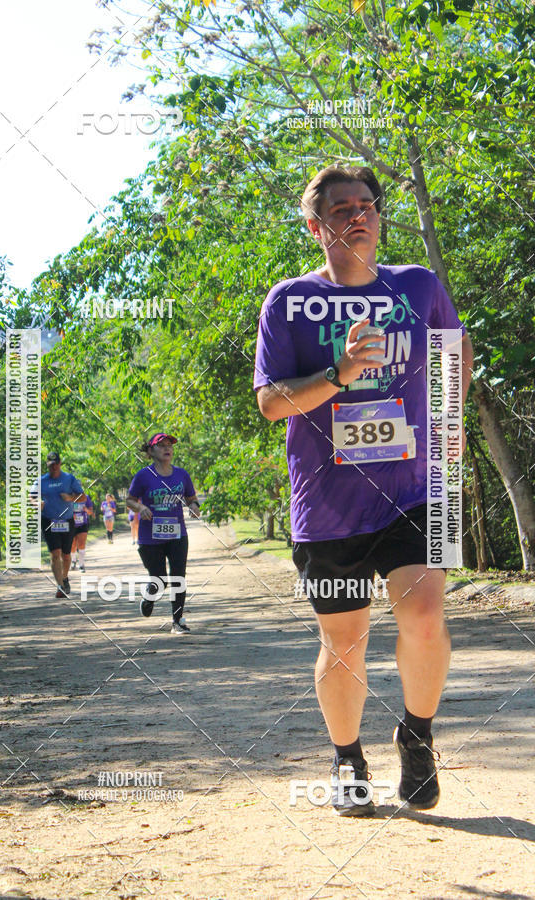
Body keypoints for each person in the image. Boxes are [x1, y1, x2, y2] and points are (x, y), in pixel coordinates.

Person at [254, 165, 473, 816]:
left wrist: (449, 419)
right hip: (327, 506)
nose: (359, 215)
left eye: (367, 205)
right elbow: (270, 403)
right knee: (344, 643)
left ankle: (417, 732)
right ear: (315, 225)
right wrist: (341, 373)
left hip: (416, 487)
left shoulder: (419, 286)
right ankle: (348, 758)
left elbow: (453, 353)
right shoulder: (289, 302)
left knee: (426, 615)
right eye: (342, 207)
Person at [126, 433, 200, 635]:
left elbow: (191, 497)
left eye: (170, 445)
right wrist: (140, 508)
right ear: (151, 451)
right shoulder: (143, 475)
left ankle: (177, 621)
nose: (167, 449)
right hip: (150, 537)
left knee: (178, 577)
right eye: (161, 446)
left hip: (177, 534)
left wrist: (194, 506)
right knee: (159, 580)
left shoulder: (181, 475)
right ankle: (150, 596)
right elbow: (130, 500)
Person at [37, 451, 85, 598]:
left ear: (60, 463)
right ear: (47, 465)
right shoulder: (41, 481)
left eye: (56, 464)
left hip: (67, 520)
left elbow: (82, 497)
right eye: (51, 465)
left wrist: (70, 497)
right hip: (49, 520)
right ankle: (60, 586)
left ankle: (64, 577)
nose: (54, 467)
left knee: (66, 554)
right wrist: (37, 503)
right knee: (55, 554)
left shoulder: (69, 479)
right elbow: (32, 497)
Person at [71, 494, 94, 571]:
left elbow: (90, 512)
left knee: (81, 544)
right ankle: (73, 560)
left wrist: (86, 510)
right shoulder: (68, 497)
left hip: (83, 523)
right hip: (71, 524)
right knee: (72, 545)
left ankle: (81, 564)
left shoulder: (86, 497)